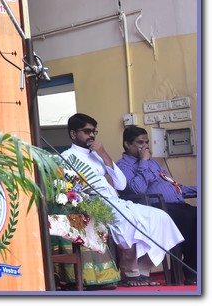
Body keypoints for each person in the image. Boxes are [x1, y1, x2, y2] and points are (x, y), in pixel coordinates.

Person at [61, 113, 184, 287]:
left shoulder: (97, 156)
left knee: (161, 217)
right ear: (73, 134)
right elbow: (75, 188)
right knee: (127, 221)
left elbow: (120, 183)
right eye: (87, 131)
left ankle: (143, 269)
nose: (92, 135)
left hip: (117, 201)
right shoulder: (66, 157)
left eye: (94, 131)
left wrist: (104, 154)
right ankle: (129, 272)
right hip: (96, 204)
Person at [117, 126, 197, 284]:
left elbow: (175, 187)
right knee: (193, 218)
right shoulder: (122, 166)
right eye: (140, 143)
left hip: (176, 205)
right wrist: (143, 162)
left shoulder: (153, 164)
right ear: (127, 144)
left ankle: (193, 268)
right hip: (155, 208)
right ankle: (191, 273)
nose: (145, 147)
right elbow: (138, 189)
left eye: (147, 142)